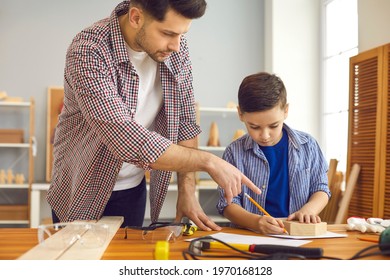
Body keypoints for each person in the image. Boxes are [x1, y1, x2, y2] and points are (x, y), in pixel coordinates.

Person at [47, 0, 260, 230]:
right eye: (168, 33)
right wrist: (208, 162)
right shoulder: (89, 49)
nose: (176, 46)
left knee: (124, 265)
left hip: (132, 189)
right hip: (80, 189)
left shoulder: (176, 50)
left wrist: (187, 191)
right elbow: (125, 138)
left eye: (182, 34)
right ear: (136, 17)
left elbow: (185, 121)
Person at [216, 72, 331, 235]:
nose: (264, 135)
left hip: (297, 235)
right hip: (251, 236)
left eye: (273, 125)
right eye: (254, 127)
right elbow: (227, 204)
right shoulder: (234, 152)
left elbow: (321, 189)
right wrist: (256, 222)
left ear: (286, 111)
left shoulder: (308, 145)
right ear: (240, 114)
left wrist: (309, 209)